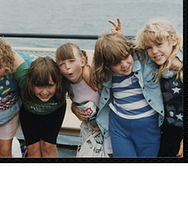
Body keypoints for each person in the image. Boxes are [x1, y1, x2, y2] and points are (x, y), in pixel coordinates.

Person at [93, 29, 165, 157]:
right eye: (116, 63)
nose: (124, 65)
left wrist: (123, 39)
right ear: (107, 65)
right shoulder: (107, 76)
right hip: (120, 130)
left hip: (149, 130)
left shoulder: (144, 62)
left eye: (126, 57)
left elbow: (169, 48)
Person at [135, 19, 183, 157]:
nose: (154, 51)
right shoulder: (155, 65)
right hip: (165, 130)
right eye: (148, 47)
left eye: (159, 44)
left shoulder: (180, 67)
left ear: (173, 41)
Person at [55, 42, 112, 156]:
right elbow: (75, 101)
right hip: (90, 127)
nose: (67, 66)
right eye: (62, 64)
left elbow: (94, 56)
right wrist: (74, 109)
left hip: (108, 126)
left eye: (71, 60)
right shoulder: (68, 85)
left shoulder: (91, 76)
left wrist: (86, 68)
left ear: (82, 61)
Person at [13, 55, 66, 157]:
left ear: (58, 82)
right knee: (32, 149)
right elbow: (10, 53)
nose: (44, 92)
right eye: (39, 86)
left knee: (48, 146)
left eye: (50, 86)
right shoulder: (23, 76)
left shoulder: (64, 79)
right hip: (29, 112)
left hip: (54, 111)